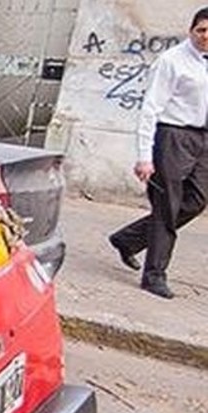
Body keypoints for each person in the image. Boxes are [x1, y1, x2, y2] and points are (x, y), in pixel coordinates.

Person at [108, 6, 208, 299]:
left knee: (197, 201)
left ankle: (127, 238)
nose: (206, 36)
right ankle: (154, 275)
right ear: (191, 31)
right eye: (201, 30)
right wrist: (144, 155)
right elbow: (150, 108)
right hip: (172, 136)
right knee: (167, 208)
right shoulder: (171, 60)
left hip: (203, 139)